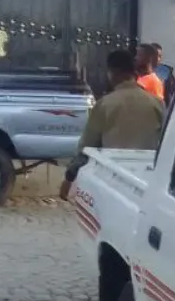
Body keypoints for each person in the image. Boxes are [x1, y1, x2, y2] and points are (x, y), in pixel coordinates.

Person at [59, 50, 163, 201]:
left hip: (113, 181)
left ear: (112, 73)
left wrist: (69, 179)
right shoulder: (157, 104)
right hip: (146, 182)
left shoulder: (105, 104)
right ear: (133, 73)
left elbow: (86, 148)